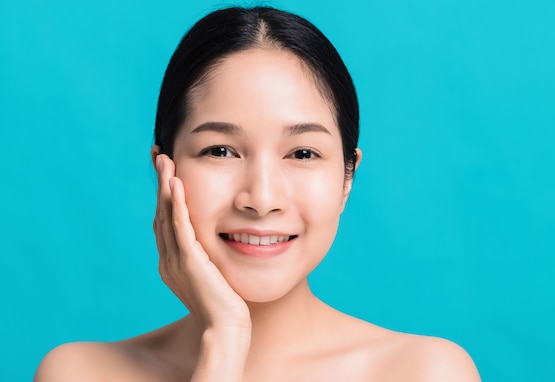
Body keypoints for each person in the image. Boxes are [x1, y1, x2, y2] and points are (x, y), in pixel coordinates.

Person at [35, 6, 480, 381]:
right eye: (220, 150)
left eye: (303, 153)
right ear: (164, 172)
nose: (261, 198)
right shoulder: (80, 372)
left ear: (348, 178)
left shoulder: (425, 371)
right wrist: (223, 343)